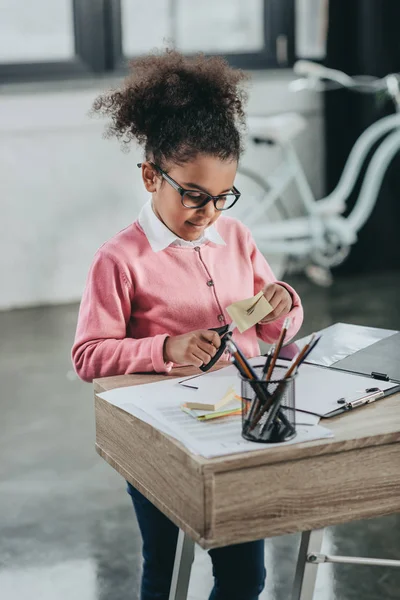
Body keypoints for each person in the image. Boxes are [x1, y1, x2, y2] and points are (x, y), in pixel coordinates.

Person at [72, 48, 303, 600]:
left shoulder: (238, 238)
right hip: (162, 435)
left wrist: (282, 303)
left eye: (224, 197)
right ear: (152, 176)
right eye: (195, 196)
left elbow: (276, 330)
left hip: (239, 428)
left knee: (247, 575)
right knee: (165, 566)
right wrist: (166, 348)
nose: (210, 214)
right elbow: (88, 356)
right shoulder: (119, 259)